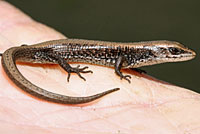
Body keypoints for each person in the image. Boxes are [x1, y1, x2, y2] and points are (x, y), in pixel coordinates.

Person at [0, 1, 199, 133]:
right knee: (53, 58)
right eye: (174, 52)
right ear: (159, 51)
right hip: (46, 52)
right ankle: (59, 66)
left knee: (27, 54)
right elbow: (119, 63)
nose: (182, 55)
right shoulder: (133, 54)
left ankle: (12, 54)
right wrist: (116, 72)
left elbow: (125, 60)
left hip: (40, 51)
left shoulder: (138, 54)